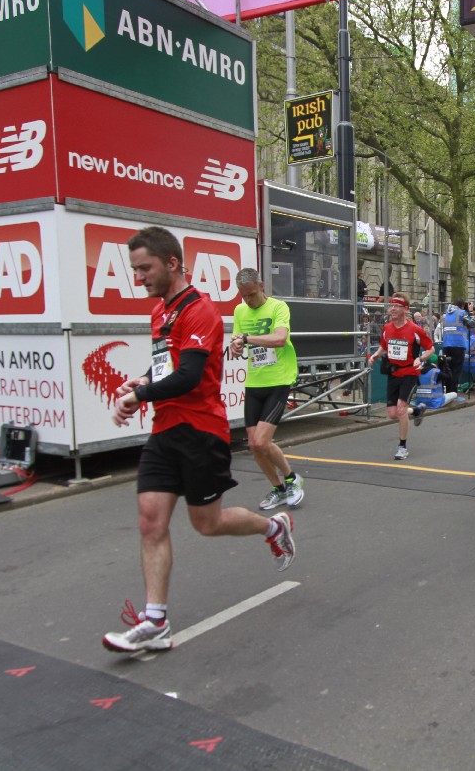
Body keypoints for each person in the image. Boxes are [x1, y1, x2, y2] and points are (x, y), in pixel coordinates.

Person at [104, 227, 294, 653]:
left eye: (145, 268)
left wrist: (139, 396)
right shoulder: (160, 312)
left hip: (200, 430)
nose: (139, 277)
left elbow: (189, 375)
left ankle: (273, 526)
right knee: (150, 521)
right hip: (164, 430)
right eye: (135, 269)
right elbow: (167, 366)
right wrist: (142, 381)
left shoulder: (199, 310)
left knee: (207, 523)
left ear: (172, 263)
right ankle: (155, 622)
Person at [228, 268, 305, 511]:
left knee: (262, 441)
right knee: (254, 444)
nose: (248, 300)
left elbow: (280, 339)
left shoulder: (278, 307)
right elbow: (237, 339)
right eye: (243, 296)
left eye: (251, 294)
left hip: (279, 380)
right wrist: (235, 346)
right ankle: (278, 489)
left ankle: (292, 479)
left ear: (261, 286)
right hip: (254, 382)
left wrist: (246, 339)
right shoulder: (240, 310)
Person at [367, 293, 434, 461]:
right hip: (393, 373)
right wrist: (375, 355)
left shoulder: (415, 330)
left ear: (405, 309)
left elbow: (431, 348)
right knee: (392, 413)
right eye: (392, 305)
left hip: (410, 373)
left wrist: (421, 358)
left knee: (401, 409)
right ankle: (417, 410)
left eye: (397, 306)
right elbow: (384, 345)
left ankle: (402, 447)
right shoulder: (386, 328)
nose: (393, 309)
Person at [441, 300, 470, 397]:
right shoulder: (462, 313)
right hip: (458, 345)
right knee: (456, 370)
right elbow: (471, 323)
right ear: (462, 305)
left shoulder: (447, 314)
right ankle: (453, 393)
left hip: (446, 344)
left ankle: (448, 392)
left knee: (448, 369)